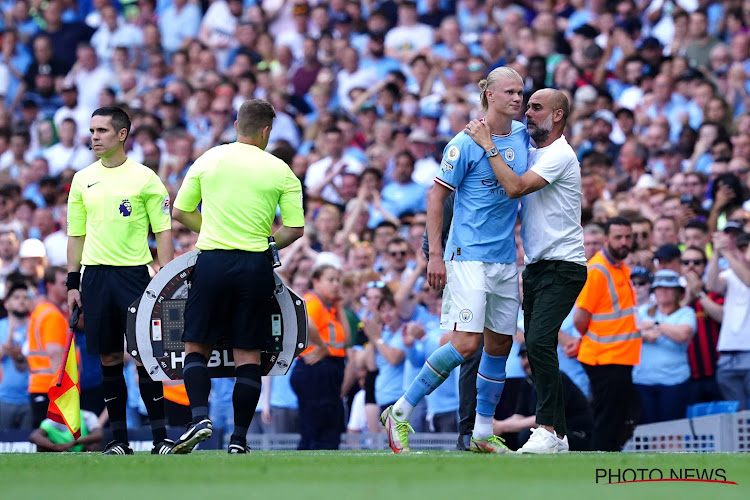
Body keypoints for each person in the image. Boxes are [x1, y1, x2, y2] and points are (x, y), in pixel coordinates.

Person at [381, 67, 529, 454]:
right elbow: (435, 197)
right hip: (467, 256)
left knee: (499, 346)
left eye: (521, 92)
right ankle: (401, 409)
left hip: (503, 258)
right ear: (490, 96)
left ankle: (481, 431)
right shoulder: (463, 142)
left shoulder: (521, 137)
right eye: (510, 92)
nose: (518, 98)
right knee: (465, 344)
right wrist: (435, 255)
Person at [171, 99, 305, 454]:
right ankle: (239, 440)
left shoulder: (208, 159)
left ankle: (200, 416)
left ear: (235, 125)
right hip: (254, 265)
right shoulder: (280, 169)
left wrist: (210, 229)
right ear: (266, 131)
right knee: (248, 354)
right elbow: (295, 228)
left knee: (195, 346)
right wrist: (268, 244)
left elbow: (182, 211)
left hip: (213, 260)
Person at [465, 88, 588, 453]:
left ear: (558, 116)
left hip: (563, 264)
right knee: (537, 347)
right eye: (528, 106)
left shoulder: (559, 154)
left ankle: (549, 429)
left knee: (537, 343)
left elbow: (516, 187)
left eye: (536, 108)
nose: (528, 113)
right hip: (537, 265)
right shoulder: (535, 150)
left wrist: (489, 145)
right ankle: (558, 435)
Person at [66, 106, 175, 455]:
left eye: (102, 131)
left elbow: (163, 231)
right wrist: (73, 283)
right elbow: (75, 235)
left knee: (145, 357)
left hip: (134, 276)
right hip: (95, 276)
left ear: (122, 135)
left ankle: (161, 439)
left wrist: (168, 278)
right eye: (92, 131)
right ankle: (118, 441)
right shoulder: (82, 179)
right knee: (109, 359)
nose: (94, 137)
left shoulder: (145, 179)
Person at [573, 217, 641, 452]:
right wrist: (590, 338)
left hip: (620, 357)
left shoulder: (620, 268)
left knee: (623, 415)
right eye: (618, 237)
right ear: (606, 240)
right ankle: (598, 464)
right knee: (607, 421)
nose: (624, 242)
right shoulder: (598, 270)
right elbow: (580, 318)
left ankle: (606, 459)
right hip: (604, 357)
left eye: (627, 237)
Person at [290, 265, 350, 450]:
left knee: (327, 427)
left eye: (338, 280)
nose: (336, 284)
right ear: (316, 281)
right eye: (330, 280)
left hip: (327, 370)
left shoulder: (330, 307)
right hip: (316, 369)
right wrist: (322, 346)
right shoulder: (312, 301)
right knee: (319, 430)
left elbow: (346, 339)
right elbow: (305, 323)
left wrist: (339, 307)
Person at [493, 343, 592, 451]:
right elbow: (519, 416)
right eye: (523, 357)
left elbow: (547, 418)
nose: (527, 361)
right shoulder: (528, 381)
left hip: (576, 433)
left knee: (526, 435)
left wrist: (502, 426)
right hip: (549, 431)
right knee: (510, 435)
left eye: (530, 355)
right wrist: (495, 426)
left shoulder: (556, 379)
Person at [633, 270, 696, 423]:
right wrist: (644, 334)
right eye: (659, 288)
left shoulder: (685, 313)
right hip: (643, 381)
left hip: (674, 382)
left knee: (672, 431)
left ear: (677, 292)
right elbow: (628, 332)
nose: (663, 291)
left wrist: (656, 324)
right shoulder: (642, 311)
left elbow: (683, 335)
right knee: (645, 432)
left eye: (668, 288)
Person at [29, 409, 104, 452]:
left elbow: (98, 435)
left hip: (81, 447)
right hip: (59, 449)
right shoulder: (54, 419)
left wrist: (74, 442)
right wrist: (54, 446)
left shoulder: (87, 416)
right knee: (41, 446)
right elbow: (34, 436)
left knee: (94, 446)